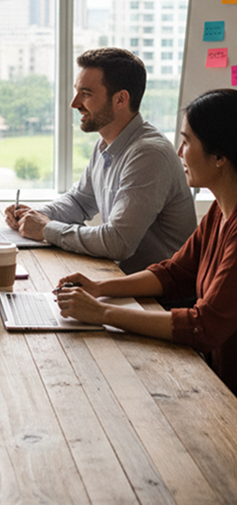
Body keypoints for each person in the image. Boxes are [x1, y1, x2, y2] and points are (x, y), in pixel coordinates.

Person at [54, 89, 237, 396]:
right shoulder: (220, 210)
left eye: (187, 141)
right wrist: (100, 288)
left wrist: (103, 314)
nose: (180, 152)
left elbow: (203, 327)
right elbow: (174, 274)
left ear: (219, 157)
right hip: (217, 376)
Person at [5, 48, 196, 273]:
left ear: (120, 99)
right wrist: (36, 215)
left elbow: (118, 242)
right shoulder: (106, 144)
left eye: (85, 93)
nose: (74, 103)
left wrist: (47, 229)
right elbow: (79, 201)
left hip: (161, 300)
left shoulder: (148, 155)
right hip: (127, 283)